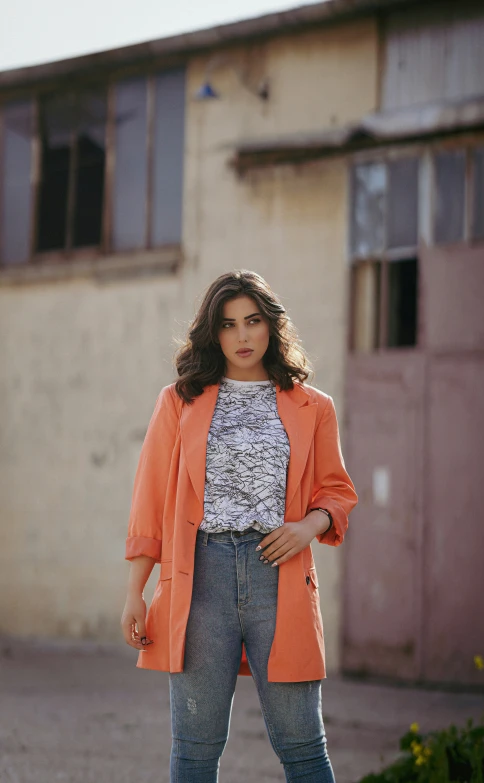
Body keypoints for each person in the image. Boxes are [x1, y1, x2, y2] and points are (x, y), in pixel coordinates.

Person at [121, 269, 358, 782]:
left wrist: (307, 527)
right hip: (200, 578)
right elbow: (149, 498)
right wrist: (135, 591)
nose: (243, 336)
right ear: (213, 332)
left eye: (253, 321)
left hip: (283, 577)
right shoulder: (179, 400)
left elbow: (336, 492)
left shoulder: (313, 406)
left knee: (304, 748)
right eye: (228, 325)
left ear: (271, 326)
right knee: (194, 752)